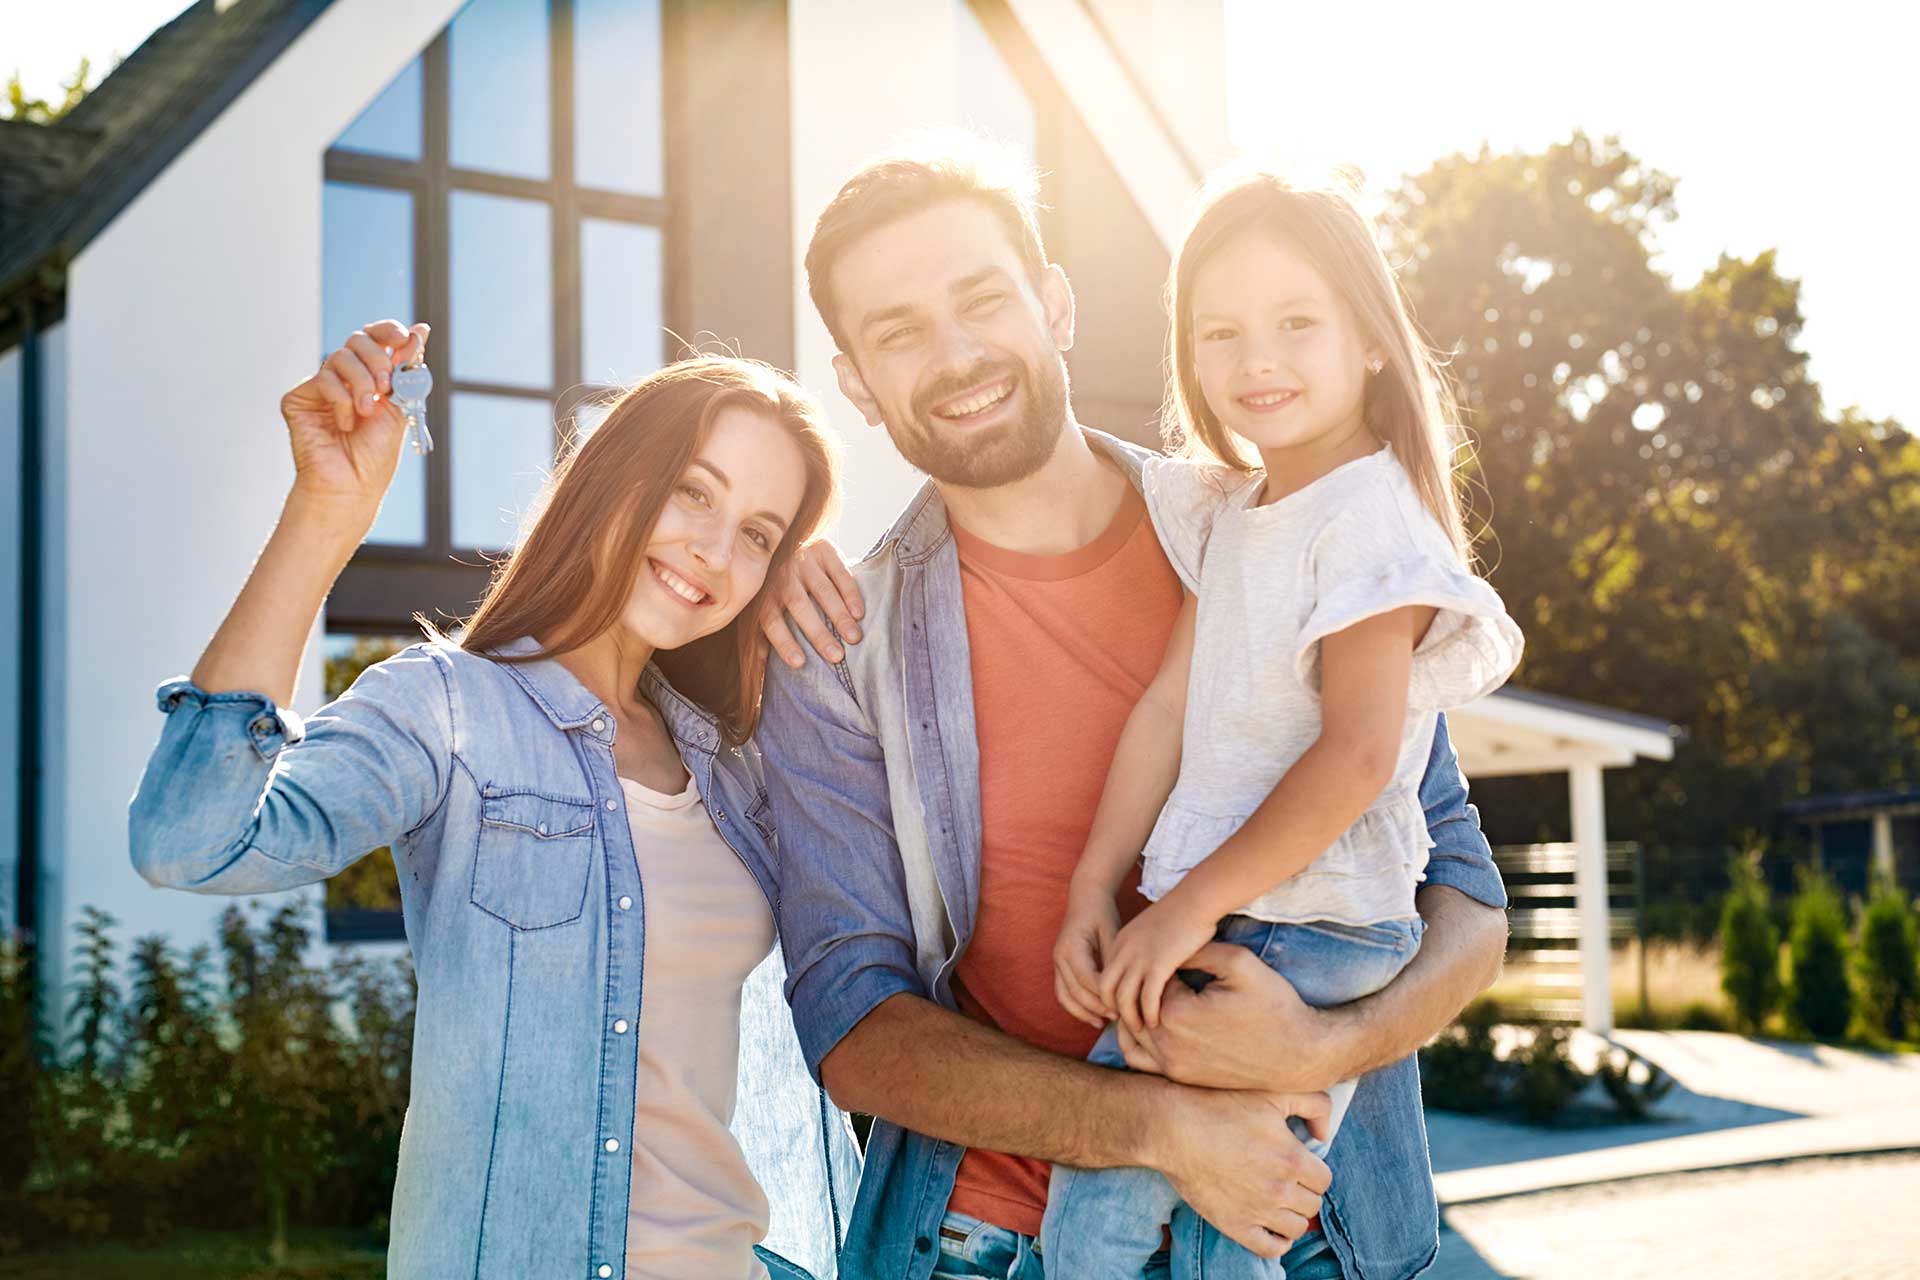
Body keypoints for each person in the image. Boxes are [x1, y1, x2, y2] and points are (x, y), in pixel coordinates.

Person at [757, 133, 1511, 1280]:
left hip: (1303, 1228)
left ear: (1054, 304)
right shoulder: (832, 648)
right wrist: (1162, 1127)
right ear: (857, 381)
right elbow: (856, 1031)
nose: (957, 355)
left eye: (982, 300)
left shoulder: (1265, 521)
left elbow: (1463, 893)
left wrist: (1323, 1042)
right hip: (986, 1245)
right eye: (899, 331)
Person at [128, 320, 863, 1280]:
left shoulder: (734, 768)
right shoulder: (448, 708)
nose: (715, 551)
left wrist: (818, 614)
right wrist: (324, 511)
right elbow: (192, 842)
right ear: (617, 477)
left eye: (758, 536)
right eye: (694, 492)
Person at [1039, 167, 1525, 1278]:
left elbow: (1356, 758)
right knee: (1157, 1213)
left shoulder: (1369, 518)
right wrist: (1092, 885)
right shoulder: (1237, 511)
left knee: (1163, 1211)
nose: (1257, 359)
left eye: (1296, 322)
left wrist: (1182, 912)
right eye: (1223, 332)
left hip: (1310, 929)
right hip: (1238, 912)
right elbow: (1168, 706)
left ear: (1368, 340)